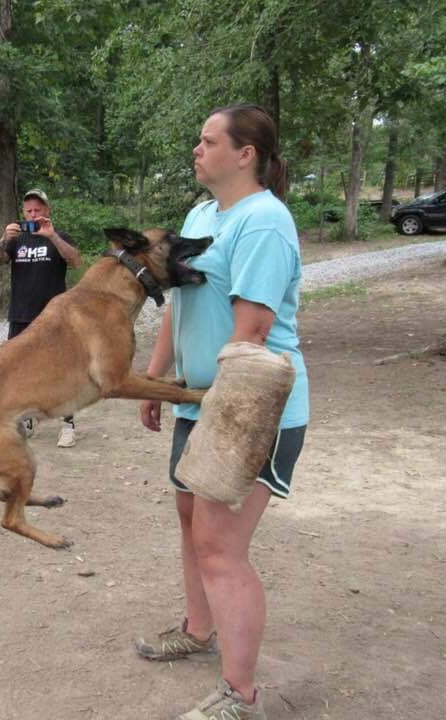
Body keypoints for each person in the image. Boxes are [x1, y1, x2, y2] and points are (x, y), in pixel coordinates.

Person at [134, 105, 309, 720]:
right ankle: (198, 630)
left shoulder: (263, 222)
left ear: (246, 154)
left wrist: (214, 415)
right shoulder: (203, 214)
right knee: (192, 522)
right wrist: (158, 381)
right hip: (201, 403)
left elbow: (253, 330)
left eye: (208, 141)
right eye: (197, 140)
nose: (196, 150)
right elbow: (179, 302)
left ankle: (241, 695)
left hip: (251, 409)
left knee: (221, 547)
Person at [0, 188, 82, 447]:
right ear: (23, 212)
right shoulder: (16, 239)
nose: (33, 214)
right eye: (29, 210)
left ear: (47, 211)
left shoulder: (58, 236)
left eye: (37, 210)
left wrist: (52, 237)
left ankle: (68, 424)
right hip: (20, 315)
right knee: (19, 371)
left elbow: (75, 261)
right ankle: (28, 418)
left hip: (54, 318)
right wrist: (3, 239)